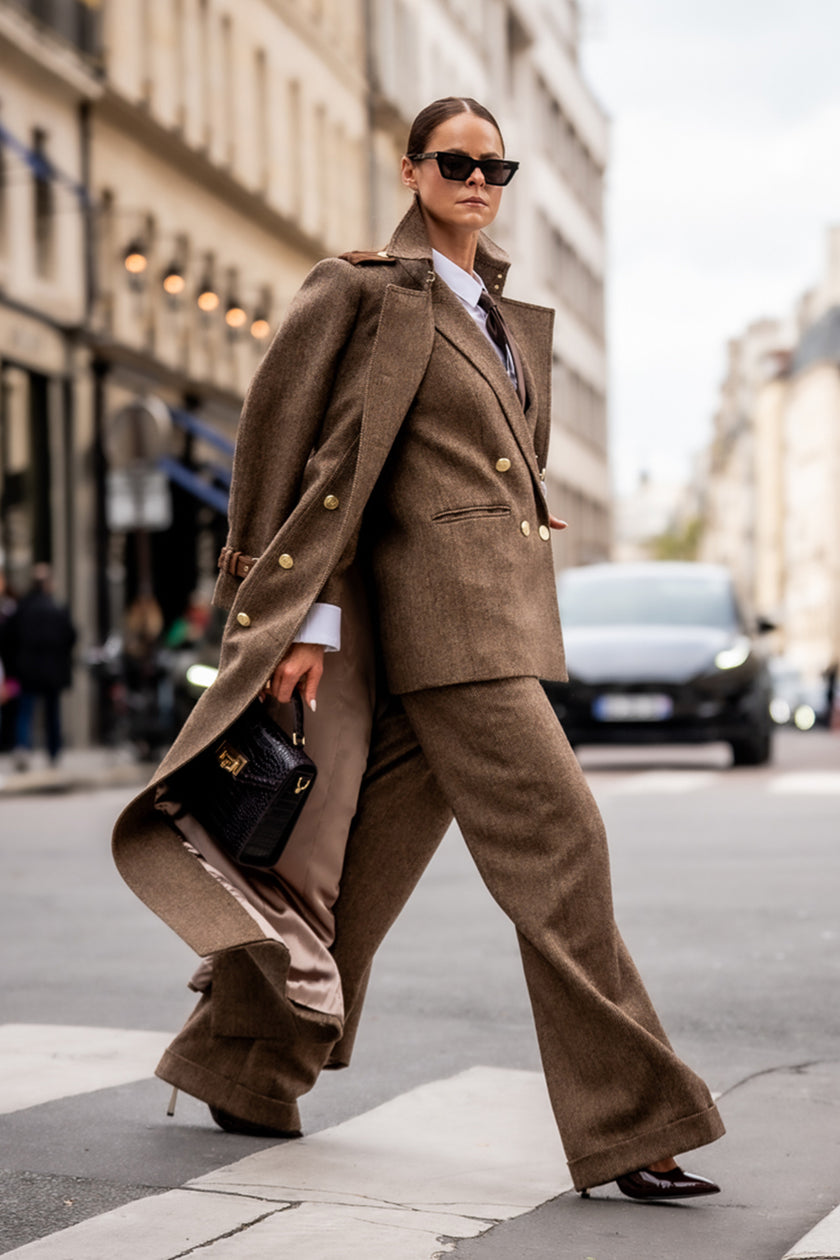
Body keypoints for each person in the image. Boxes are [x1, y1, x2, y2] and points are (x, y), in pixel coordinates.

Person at [113, 97, 724, 1201]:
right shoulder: (361, 290)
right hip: (438, 626)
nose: (478, 180)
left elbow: (450, 461)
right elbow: (288, 450)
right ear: (411, 170)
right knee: (563, 844)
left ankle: (241, 1062)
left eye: (497, 165)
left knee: (365, 871)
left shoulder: (494, 306)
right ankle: (637, 1120)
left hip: (480, 610)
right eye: (456, 161)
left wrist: (518, 502)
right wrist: (300, 615)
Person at [4, 564, 76, 768]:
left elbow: (8, 639)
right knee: (52, 714)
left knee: (25, 712)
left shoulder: (22, 609)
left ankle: (23, 748)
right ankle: (53, 753)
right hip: (52, 671)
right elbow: (71, 637)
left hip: (27, 670)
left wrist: (13, 667)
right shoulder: (57, 608)